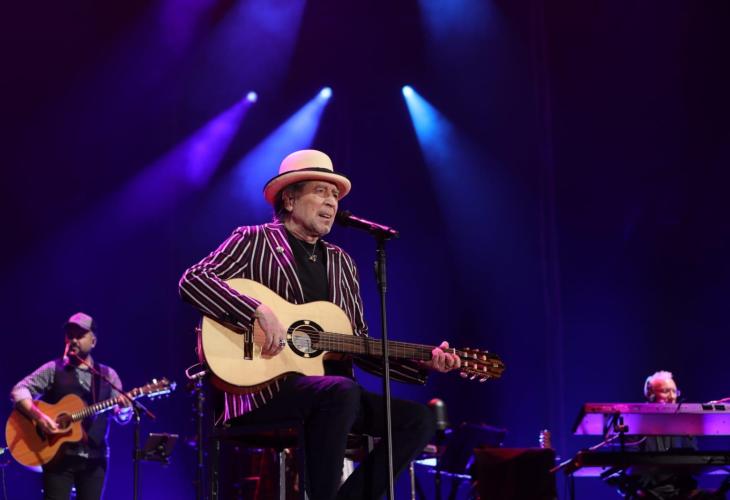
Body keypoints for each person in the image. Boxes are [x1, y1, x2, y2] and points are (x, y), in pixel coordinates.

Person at [179, 149, 462, 499]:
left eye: (335, 195)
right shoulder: (253, 240)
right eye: (320, 191)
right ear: (289, 199)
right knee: (340, 392)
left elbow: (358, 345)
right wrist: (255, 310)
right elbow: (194, 280)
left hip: (333, 397)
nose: (331, 202)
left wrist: (420, 363)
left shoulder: (342, 263)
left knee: (418, 420)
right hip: (259, 391)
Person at [10, 312, 132, 500]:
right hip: (58, 457)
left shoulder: (108, 375)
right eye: (70, 335)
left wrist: (125, 409)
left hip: (94, 460)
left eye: (80, 335)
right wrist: (39, 417)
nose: (73, 340)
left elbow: (122, 417)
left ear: (93, 341)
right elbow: (18, 390)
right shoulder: (53, 369)